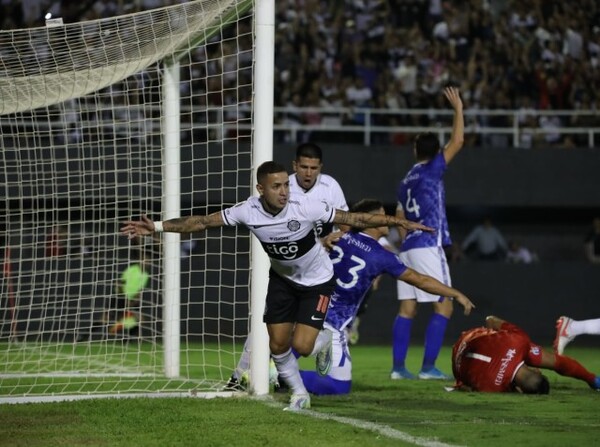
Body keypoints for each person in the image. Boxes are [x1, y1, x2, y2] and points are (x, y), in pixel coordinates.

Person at [121, 161, 432, 410]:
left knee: (303, 347)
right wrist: (158, 227)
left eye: (286, 184)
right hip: (283, 281)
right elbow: (202, 222)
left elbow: (355, 218)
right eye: (277, 186)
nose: (284, 191)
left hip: (318, 283)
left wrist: (397, 223)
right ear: (261, 189)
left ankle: (323, 342)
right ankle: (299, 394)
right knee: (278, 345)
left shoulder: (305, 207)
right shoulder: (247, 210)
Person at [300, 199, 475, 395]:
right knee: (333, 380)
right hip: (334, 321)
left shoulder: (340, 237)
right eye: (382, 215)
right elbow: (420, 280)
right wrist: (454, 293)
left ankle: (283, 374)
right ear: (371, 220)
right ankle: (283, 372)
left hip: (310, 309)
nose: (386, 220)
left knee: (330, 379)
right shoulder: (381, 256)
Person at [224, 142, 349, 392]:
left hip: (315, 266)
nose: (308, 172)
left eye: (313, 168)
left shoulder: (330, 187)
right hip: (280, 264)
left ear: (320, 168)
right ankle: (240, 375)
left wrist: (334, 238)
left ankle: (280, 371)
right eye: (303, 166)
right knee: (267, 323)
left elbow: (345, 223)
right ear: (295, 166)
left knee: (301, 338)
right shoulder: (281, 185)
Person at [392, 86, 465, 380]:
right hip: (427, 244)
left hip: (407, 246)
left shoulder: (405, 180)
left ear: (414, 151)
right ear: (436, 153)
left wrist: (403, 237)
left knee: (407, 307)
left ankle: (398, 369)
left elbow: (398, 215)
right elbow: (458, 140)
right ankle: (427, 368)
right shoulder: (433, 169)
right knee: (444, 305)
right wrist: (458, 108)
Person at [452, 315, 600, 393]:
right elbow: (466, 387)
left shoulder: (519, 341)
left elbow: (490, 320)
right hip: (456, 362)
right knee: (543, 357)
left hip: (470, 337)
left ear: (536, 370)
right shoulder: (492, 388)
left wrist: (495, 342)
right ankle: (593, 380)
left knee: (542, 356)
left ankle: (593, 379)